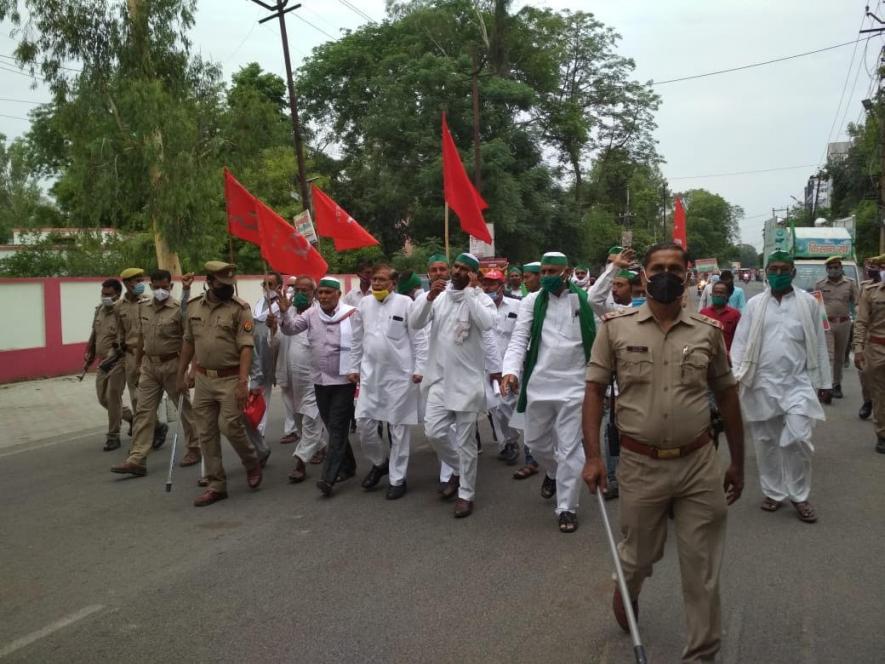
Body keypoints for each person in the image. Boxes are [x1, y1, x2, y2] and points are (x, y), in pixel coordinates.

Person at [582, 242, 745, 664]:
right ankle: (628, 586)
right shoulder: (616, 328)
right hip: (639, 465)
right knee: (639, 556)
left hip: (698, 464)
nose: (666, 275)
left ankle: (701, 655)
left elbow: (727, 396)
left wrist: (738, 462)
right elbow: (595, 392)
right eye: (658, 268)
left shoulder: (707, 332)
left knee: (702, 570)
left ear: (688, 274)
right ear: (644, 275)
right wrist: (594, 457)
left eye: (675, 268)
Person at [731, 250, 831, 524]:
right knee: (765, 443)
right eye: (772, 269)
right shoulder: (754, 304)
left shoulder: (809, 302)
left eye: (783, 269)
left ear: (793, 272)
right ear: (765, 272)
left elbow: (820, 343)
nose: (777, 274)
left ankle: (799, 495)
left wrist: (824, 381)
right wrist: (736, 375)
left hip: (797, 383)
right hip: (761, 383)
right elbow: (740, 342)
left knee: (798, 438)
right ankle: (774, 492)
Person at [502, 252, 596, 534]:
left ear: (566, 272)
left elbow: (599, 333)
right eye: (543, 272)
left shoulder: (583, 300)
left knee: (570, 449)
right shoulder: (532, 301)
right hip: (540, 384)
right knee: (536, 442)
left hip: (575, 385)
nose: (546, 277)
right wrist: (511, 370)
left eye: (552, 271)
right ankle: (554, 473)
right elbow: (520, 337)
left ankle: (566, 507)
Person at [410, 252, 495, 518]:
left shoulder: (481, 299)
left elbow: (487, 323)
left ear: (472, 274)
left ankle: (466, 493)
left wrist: (470, 293)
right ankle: (460, 469)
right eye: (454, 267)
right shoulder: (440, 297)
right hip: (438, 379)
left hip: (468, 383)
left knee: (466, 440)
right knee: (434, 432)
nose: (455, 271)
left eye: (462, 268)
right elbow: (415, 323)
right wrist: (428, 298)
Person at [176, 261, 263, 507]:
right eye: (222, 284)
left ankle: (251, 461)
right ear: (209, 281)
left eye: (230, 284)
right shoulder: (194, 307)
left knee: (230, 426)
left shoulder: (240, 309)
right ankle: (216, 484)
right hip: (203, 379)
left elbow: (246, 346)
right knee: (206, 432)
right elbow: (188, 342)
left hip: (230, 377)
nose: (227, 288)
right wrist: (182, 372)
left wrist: (243, 381)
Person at [348, 265, 427, 499]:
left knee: (398, 427)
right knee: (363, 423)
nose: (377, 283)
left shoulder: (406, 303)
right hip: (371, 376)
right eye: (375, 279)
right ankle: (380, 462)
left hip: (400, 376)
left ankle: (397, 478)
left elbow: (419, 339)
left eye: (382, 280)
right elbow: (356, 339)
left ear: (393, 283)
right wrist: (353, 367)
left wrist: (419, 368)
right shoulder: (363, 304)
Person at [111, 270, 199, 476]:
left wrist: (188, 371)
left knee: (183, 409)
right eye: (156, 286)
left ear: (170, 286)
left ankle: (195, 447)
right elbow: (141, 336)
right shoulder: (144, 307)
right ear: (151, 286)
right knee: (143, 411)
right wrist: (139, 363)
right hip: (149, 366)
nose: (160, 290)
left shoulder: (178, 309)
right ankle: (137, 459)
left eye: (164, 287)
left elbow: (190, 339)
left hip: (172, 365)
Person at [280, 276, 360, 497]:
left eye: (328, 292)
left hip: (344, 380)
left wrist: (357, 369)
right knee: (334, 426)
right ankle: (350, 466)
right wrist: (286, 313)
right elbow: (290, 329)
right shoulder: (310, 314)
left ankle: (328, 477)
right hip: (320, 380)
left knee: (337, 425)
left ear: (338, 295)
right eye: (321, 293)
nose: (323, 296)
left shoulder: (352, 314)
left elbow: (360, 343)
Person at [271, 276, 327, 483]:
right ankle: (320, 446)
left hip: (312, 376)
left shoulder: (319, 313)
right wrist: (272, 327)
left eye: (306, 290)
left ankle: (300, 461)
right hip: (287, 375)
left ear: (314, 293)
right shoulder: (286, 310)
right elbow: (275, 342)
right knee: (298, 417)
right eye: (298, 289)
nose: (301, 293)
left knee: (311, 417)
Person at [115, 267, 167, 448]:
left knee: (143, 398)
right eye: (135, 281)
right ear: (126, 283)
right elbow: (120, 334)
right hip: (130, 357)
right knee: (136, 398)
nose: (140, 284)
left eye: (141, 280)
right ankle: (156, 428)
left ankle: (145, 436)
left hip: (148, 355)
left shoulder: (149, 302)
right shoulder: (118, 307)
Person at [480, 269, 521, 465]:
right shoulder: (479, 307)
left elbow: (522, 337)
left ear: (501, 286)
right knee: (496, 406)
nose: (487, 287)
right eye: (485, 284)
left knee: (506, 405)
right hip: (486, 367)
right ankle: (508, 443)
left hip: (509, 366)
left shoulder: (516, 306)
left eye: (491, 284)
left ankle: (513, 439)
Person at [86, 278, 131, 451]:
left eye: (108, 294)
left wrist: (113, 357)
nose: (104, 297)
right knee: (103, 398)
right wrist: (90, 352)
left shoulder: (122, 312)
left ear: (118, 295)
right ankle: (132, 419)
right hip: (102, 362)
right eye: (103, 294)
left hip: (119, 360)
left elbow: (124, 339)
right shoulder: (99, 310)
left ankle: (113, 436)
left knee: (113, 396)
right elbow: (94, 333)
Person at [511, 260, 543, 480]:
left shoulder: (567, 299)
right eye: (522, 277)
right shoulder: (528, 300)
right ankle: (531, 459)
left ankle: (556, 467)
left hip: (554, 370)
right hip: (530, 365)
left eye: (528, 276)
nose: (524, 280)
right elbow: (520, 337)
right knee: (528, 413)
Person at [249, 272, 283, 457]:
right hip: (257, 352)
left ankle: (261, 430)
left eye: (271, 284)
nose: (267, 287)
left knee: (274, 393)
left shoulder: (282, 306)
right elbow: (253, 325)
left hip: (272, 354)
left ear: (279, 286)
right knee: (260, 392)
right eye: (265, 283)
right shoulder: (258, 304)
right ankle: (258, 429)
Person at [853, 260, 885, 454]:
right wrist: (858, 348)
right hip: (877, 349)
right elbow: (861, 322)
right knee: (880, 394)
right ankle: (882, 434)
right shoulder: (871, 291)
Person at [814, 256, 857, 400]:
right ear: (826, 269)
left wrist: (858, 319)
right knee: (828, 355)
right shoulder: (820, 284)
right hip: (827, 324)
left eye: (836, 267)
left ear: (841, 268)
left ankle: (837, 384)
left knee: (839, 356)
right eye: (830, 268)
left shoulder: (850, 284)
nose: (833, 270)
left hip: (844, 323)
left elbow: (857, 303)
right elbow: (816, 305)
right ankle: (827, 385)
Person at [856, 259, 883, 419]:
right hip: (872, 342)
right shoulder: (867, 288)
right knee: (867, 376)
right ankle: (868, 401)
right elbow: (861, 319)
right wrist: (858, 347)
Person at [699, 280, 741, 352]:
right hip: (706, 356)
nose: (718, 295)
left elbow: (739, 339)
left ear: (727, 295)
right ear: (711, 294)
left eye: (721, 293)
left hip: (727, 357)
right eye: (716, 292)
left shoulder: (735, 315)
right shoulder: (703, 313)